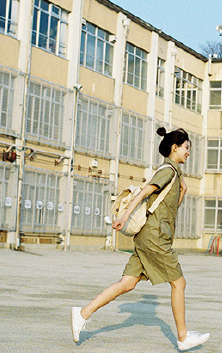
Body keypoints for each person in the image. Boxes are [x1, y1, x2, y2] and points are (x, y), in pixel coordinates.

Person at [71, 127, 210, 351]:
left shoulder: (174, 173)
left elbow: (170, 207)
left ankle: (82, 313)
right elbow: (144, 192)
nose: (188, 153)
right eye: (186, 148)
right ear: (175, 148)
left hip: (150, 236)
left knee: (127, 283)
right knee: (179, 283)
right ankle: (183, 337)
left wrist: (183, 189)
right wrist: (124, 217)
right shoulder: (168, 171)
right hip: (155, 238)